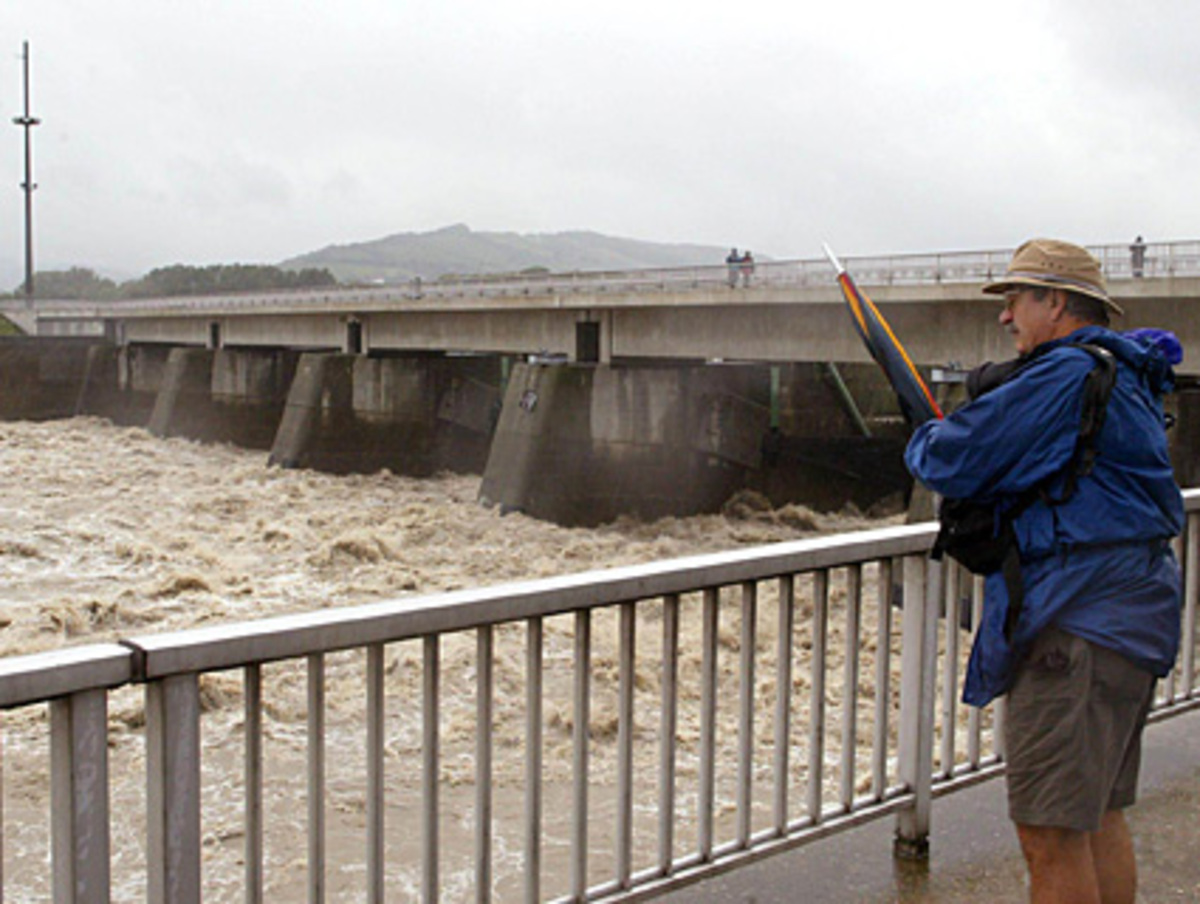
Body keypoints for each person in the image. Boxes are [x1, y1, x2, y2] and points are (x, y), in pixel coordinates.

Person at [905, 238, 1183, 904]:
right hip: (1132, 621)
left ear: (1053, 301)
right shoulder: (1122, 371)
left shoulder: (1062, 376)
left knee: (1049, 836)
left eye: (1015, 300)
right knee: (1096, 818)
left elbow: (952, 460)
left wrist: (920, 433)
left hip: (1075, 632)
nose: (1005, 318)